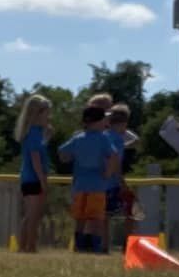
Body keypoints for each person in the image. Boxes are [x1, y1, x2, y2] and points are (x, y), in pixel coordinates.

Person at [58, 103, 121, 254]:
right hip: (97, 185)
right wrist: (108, 173)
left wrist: (68, 159)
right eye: (104, 120)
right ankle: (96, 247)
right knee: (97, 218)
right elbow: (113, 156)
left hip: (79, 185)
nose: (106, 123)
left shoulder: (78, 138)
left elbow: (62, 152)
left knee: (80, 218)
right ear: (98, 122)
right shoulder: (103, 139)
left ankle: (78, 246)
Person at [12, 94, 53, 253]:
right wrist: (42, 179)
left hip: (27, 177)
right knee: (33, 216)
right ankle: (30, 246)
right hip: (34, 178)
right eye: (46, 113)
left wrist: (47, 137)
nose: (49, 117)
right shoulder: (34, 133)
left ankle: (24, 246)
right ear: (37, 114)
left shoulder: (33, 133)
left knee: (30, 215)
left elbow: (39, 150)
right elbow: (35, 158)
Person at [105, 102, 141, 246]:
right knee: (132, 210)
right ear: (125, 122)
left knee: (104, 216)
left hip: (100, 181)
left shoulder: (104, 135)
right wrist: (122, 182)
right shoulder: (118, 139)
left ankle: (103, 246)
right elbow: (115, 163)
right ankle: (128, 244)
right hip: (113, 182)